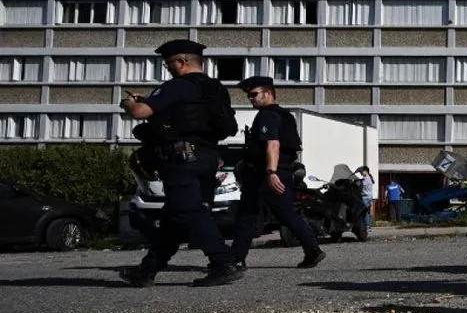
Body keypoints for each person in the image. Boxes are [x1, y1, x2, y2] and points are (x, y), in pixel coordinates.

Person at [117, 39, 243, 287]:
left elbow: (141, 113)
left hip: (181, 157)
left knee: (189, 210)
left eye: (169, 64)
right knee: (173, 219)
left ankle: (222, 262)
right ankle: (146, 271)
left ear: (182, 62)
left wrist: (130, 103)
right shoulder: (216, 89)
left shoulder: (177, 86)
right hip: (208, 157)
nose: (168, 69)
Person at [229, 76, 325, 271]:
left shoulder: (267, 115)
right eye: (249, 96)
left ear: (268, 93)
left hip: (265, 174)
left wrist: (271, 172)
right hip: (280, 171)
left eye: (254, 94)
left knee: (247, 215)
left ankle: (236, 259)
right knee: (287, 214)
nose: (251, 99)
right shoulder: (285, 115)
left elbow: (273, 143)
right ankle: (313, 251)